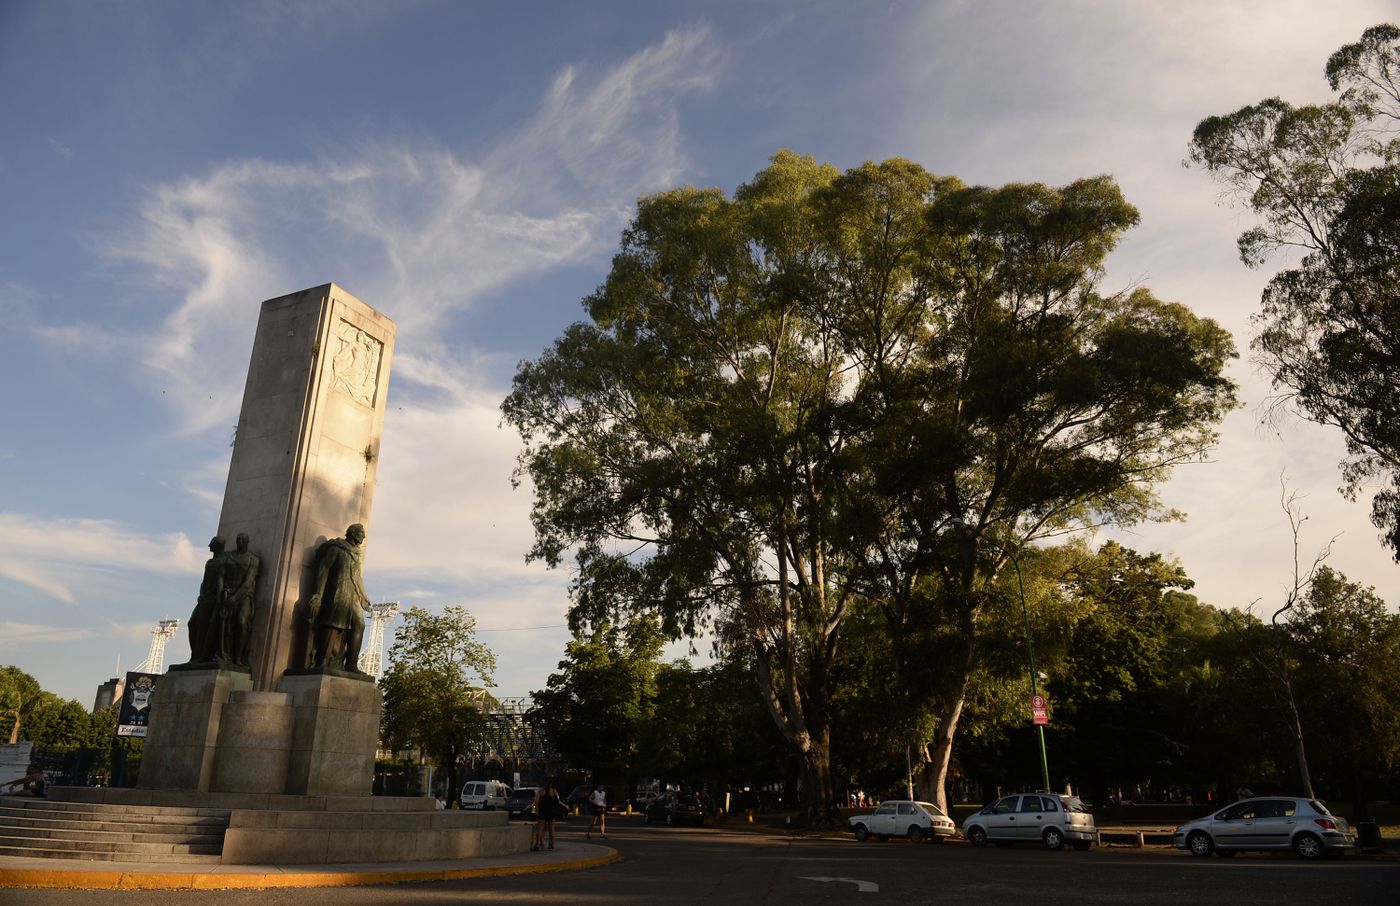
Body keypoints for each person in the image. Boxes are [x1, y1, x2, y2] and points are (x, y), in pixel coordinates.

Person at [303, 523, 372, 672]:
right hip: (338, 591)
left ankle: (351, 665)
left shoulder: (356, 553)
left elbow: (357, 576)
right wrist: (319, 594)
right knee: (333, 624)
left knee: (360, 624)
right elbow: (324, 569)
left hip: (352, 594)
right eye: (361, 533)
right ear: (352, 533)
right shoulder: (337, 548)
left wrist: (363, 596)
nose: (363, 536)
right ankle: (321, 661)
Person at [221, 532, 260, 666]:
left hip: (244, 596)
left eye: (243, 540)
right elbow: (221, 576)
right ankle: (223, 654)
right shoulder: (229, 557)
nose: (240, 542)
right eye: (238, 540)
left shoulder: (253, 560)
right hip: (227, 594)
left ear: (248, 542)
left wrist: (234, 599)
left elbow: (248, 583)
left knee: (242, 621)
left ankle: (238, 657)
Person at [187, 536, 225, 663]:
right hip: (204, 599)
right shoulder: (209, 562)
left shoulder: (222, 562)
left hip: (214, 600)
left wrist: (218, 599)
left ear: (218, 546)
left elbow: (221, 582)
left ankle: (201, 656)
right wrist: (201, 595)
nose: (209, 545)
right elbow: (204, 582)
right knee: (192, 623)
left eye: (212, 543)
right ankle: (195, 655)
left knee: (205, 628)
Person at [535, 779, 562, 851]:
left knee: (540, 828)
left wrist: (537, 812)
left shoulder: (541, 791)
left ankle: (537, 845)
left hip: (543, 811)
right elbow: (558, 801)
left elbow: (536, 803)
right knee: (552, 829)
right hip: (552, 812)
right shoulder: (554, 791)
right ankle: (551, 845)